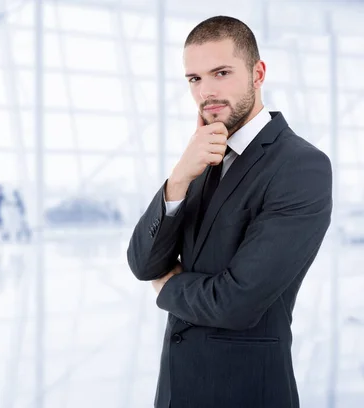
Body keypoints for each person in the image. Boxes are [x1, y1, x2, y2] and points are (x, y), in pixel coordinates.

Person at [126, 16, 332, 408]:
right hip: (175, 393)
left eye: (221, 72)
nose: (207, 92)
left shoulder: (301, 166)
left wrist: (168, 287)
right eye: (195, 79)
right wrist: (179, 178)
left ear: (258, 73)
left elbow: (237, 302)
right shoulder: (201, 158)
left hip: (247, 392)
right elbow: (142, 264)